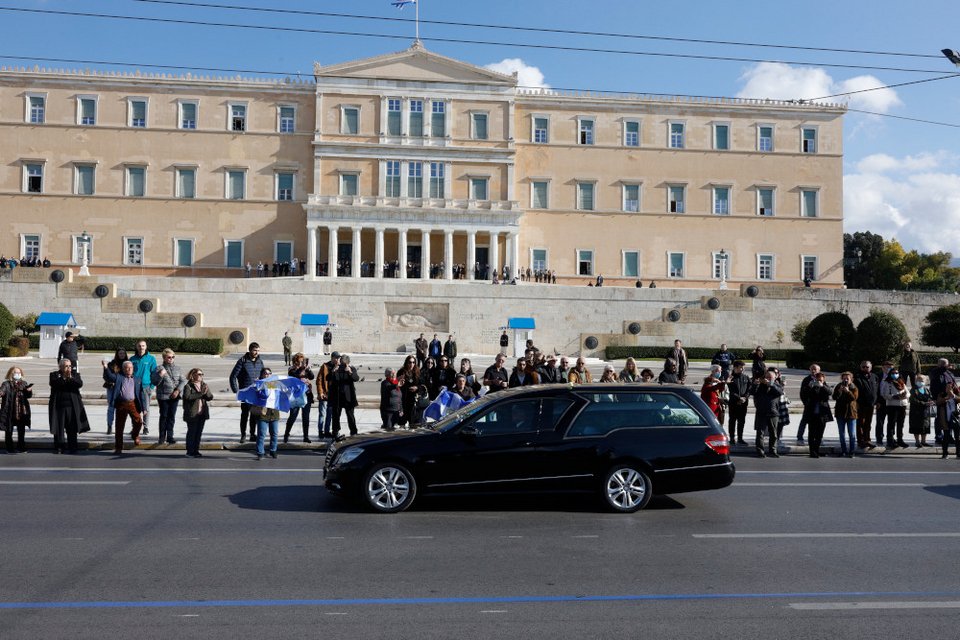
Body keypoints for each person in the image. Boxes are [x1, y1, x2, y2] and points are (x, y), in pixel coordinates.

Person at [102, 360, 145, 454]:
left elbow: (141, 394)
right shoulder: (119, 377)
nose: (129, 369)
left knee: (139, 421)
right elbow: (109, 377)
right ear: (123, 369)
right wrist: (105, 367)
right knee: (119, 427)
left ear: (133, 369)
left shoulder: (137, 379)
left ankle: (135, 435)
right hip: (121, 404)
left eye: (131, 368)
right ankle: (118, 447)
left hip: (133, 404)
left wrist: (144, 408)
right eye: (126, 367)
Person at [49, 360, 89, 454]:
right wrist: (63, 377)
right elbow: (54, 384)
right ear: (61, 367)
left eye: (70, 366)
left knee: (72, 428)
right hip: (59, 406)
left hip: (72, 406)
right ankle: (60, 447)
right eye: (66, 366)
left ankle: (73, 446)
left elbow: (79, 384)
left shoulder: (75, 375)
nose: (68, 368)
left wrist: (70, 377)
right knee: (59, 427)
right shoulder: (54, 375)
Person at [229, 342, 264, 443]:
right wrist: (236, 391)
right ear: (250, 350)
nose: (256, 352)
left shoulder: (260, 361)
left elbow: (263, 375)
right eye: (254, 350)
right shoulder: (242, 361)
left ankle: (252, 434)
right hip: (245, 393)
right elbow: (233, 377)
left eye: (258, 350)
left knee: (254, 415)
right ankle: (243, 435)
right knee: (244, 415)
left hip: (256, 393)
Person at [150, 348, 185, 445]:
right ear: (164, 358)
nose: (171, 359)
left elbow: (183, 380)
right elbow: (154, 382)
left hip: (175, 396)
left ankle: (170, 436)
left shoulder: (178, 368)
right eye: (169, 357)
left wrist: (177, 390)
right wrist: (160, 375)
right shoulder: (159, 368)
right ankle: (162, 437)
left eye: (173, 357)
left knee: (171, 416)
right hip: (163, 396)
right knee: (164, 416)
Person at [181, 368, 212, 458]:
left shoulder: (204, 385)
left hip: (202, 413)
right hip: (192, 413)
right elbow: (187, 397)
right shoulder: (188, 386)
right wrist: (201, 393)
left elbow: (210, 397)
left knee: (198, 433)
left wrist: (206, 393)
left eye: (202, 374)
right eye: (199, 374)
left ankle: (196, 450)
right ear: (193, 375)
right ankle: (190, 451)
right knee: (192, 433)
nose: (201, 376)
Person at [751, 370, 783, 458]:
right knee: (760, 433)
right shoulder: (760, 385)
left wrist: (771, 385)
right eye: (767, 377)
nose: (768, 379)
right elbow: (752, 392)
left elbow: (779, 392)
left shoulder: (777, 385)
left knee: (774, 434)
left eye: (770, 377)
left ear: (775, 378)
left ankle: (773, 451)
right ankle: (760, 451)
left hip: (773, 413)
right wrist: (755, 384)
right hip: (761, 412)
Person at [250, 368, 280, 460]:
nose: (267, 375)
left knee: (274, 434)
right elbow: (258, 396)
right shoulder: (259, 385)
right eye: (265, 373)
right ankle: (260, 452)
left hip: (274, 412)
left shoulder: (275, 384)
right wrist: (257, 385)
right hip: (263, 413)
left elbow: (281, 394)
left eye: (269, 373)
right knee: (261, 434)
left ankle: (273, 450)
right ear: (262, 375)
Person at [284, 353, 315, 444]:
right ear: (295, 361)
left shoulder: (305, 369)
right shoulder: (292, 369)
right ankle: (286, 434)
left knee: (306, 417)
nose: (301, 363)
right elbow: (294, 376)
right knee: (293, 416)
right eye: (299, 361)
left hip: (307, 395)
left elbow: (312, 376)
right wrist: (302, 370)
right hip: (296, 396)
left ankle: (306, 436)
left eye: (302, 361)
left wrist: (308, 369)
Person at [0, 366, 32, 453]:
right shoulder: (6, 384)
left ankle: (21, 447)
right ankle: (9, 448)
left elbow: (28, 396)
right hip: (10, 410)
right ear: (11, 374)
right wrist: (1, 392)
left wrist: (29, 391)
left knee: (21, 430)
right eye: (15, 372)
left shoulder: (24, 383)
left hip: (21, 411)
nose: (17, 374)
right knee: (9, 430)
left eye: (19, 372)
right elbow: (2, 391)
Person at [130, 340, 157, 437]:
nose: (141, 347)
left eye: (143, 346)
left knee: (146, 408)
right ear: (137, 347)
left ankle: (145, 427)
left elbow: (154, 374)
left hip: (146, 387)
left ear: (146, 347)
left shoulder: (151, 359)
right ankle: (135, 426)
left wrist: (152, 387)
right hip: (134, 387)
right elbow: (129, 373)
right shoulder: (132, 359)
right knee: (134, 408)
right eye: (139, 346)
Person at [330, 354, 360, 438]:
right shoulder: (336, 369)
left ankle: (353, 432)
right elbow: (328, 378)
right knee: (336, 416)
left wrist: (350, 372)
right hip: (338, 397)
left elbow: (356, 378)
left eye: (344, 364)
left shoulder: (352, 368)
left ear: (348, 362)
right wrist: (333, 371)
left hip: (348, 397)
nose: (343, 365)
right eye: (341, 363)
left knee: (350, 416)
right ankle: (335, 432)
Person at [805, 372, 833, 458]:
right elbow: (805, 394)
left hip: (822, 415)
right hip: (812, 414)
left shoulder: (825, 386)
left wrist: (822, 386)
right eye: (818, 380)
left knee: (819, 435)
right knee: (811, 434)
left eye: (821, 380)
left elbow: (830, 392)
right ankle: (812, 452)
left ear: (823, 379)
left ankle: (816, 450)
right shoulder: (812, 386)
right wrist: (810, 386)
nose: (819, 381)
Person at [880, 366, 909, 449]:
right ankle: (890, 440)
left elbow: (908, 393)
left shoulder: (901, 382)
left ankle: (900, 439)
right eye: (893, 373)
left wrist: (904, 395)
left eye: (896, 373)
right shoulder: (886, 382)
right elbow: (884, 394)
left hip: (902, 405)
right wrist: (894, 396)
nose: (895, 375)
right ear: (889, 374)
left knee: (901, 424)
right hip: (892, 405)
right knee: (891, 424)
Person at [832, 371, 859, 458]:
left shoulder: (854, 387)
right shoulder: (839, 386)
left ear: (851, 379)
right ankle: (843, 450)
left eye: (848, 378)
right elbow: (834, 397)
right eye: (844, 378)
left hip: (851, 413)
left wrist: (848, 391)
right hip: (840, 413)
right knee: (841, 433)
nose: (846, 380)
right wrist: (839, 391)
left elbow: (854, 398)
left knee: (852, 434)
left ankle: (852, 451)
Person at [854, 360, 880, 450]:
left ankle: (867, 440)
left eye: (867, 367)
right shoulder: (856, 377)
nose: (865, 368)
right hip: (861, 404)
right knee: (860, 423)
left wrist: (877, 401)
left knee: (868, 423)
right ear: (860, 367)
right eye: (863, 367)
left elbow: (877, 390)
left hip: (871, 404)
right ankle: (861, 441)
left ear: (871, 367)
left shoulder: (874, 377)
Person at [102, 348, 128, 436]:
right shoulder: (111, 364)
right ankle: (109, 425)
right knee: (111, 406)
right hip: (111, 388)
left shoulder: (127, 364)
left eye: (123, 353)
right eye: (120, 353)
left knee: (121, 408)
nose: (122, 355)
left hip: (122, 388)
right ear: (117, 354)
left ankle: (119, 426)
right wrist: (111, 381)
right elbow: (105, 375)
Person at [930, 358, 956, 445]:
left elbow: (953, 383)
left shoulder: (949, 373)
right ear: (939, 364)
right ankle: (939, 437)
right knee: (940, 419)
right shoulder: (935, 372)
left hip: (950, 399)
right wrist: (935, 397)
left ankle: (948, 436)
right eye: (943, 364)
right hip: (941, 399)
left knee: (950, 419)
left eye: (946, 364)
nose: (945, 365)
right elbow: (934, 386)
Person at [316, 351, 341, 439]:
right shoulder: (325, 366)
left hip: (333, 395)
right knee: (322, 414)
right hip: (325, 394)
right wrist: (320, 392)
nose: (338, 360)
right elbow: (319, 380)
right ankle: (320, 431)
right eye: (336, 358)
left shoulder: (339, 367)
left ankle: (327, 431)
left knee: (330, 415)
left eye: (338, 358)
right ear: (332, 358)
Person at [727, 360, 751, 446]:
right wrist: (738, 398)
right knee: (732, 421)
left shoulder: (746, 377)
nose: (742, 369)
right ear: (735, 368)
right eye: (741, 367)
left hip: (743, 403)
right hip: (733, 403)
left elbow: (749, 389)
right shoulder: (730, 378)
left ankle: (740, 438)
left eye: (743, 368)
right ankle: (732, 438)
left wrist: (745, 398)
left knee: (741, 421)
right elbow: (730, 391)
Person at [796, 364, 821, 445]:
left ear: (819, 370)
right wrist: (805, 402)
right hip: (809, 404)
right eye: (812, 369)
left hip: (818, 404)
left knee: (818, 422)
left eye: (815, 369)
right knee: (804, 421)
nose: (813, 371)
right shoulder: (806, 379)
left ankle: (817, 438)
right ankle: (800, 437)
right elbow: (802, 393)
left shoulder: (821, 379)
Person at [908, 374, 934, 448]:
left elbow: (930, 397)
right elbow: (913, 400)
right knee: (916, 426)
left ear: (925, 381)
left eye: (922, 380)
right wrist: (925, 403)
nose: (920, 382)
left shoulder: (927, 389)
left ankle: (924, 441)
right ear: (916, 381)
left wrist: (931, 401)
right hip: (916, 411)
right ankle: (917, 441)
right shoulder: (913, 389)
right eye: (918, 380)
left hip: (925, 411)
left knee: (925, 426)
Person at [397, 356, 422, 428]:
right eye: (410, 362)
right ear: (406, 363)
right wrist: (399, 382)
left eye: (413, 362)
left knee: (413, 423)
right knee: (402, 423)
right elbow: (397, 385)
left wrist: (416, 388)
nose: (411, 364)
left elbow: (422, 385)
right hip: (403, 400)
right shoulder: (401, 372)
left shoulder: (417, 372)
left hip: (414, 401)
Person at [942, 383, 960, 459]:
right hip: (946, 419)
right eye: (947, 387)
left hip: (956, 419)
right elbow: (938, 402)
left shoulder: (956, 395)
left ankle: (958, 454)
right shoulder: (942, 394)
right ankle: (945, 454)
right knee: (946, 437)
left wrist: (954, 396)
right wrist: (946, 398)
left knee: (957, 437)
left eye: (950, 388)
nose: (948, 389)